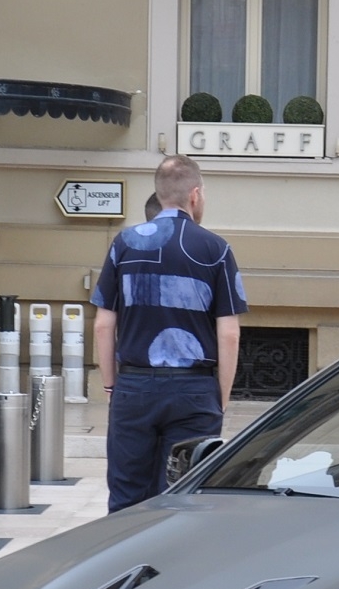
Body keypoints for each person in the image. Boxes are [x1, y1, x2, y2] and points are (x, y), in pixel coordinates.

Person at [89, 153, 246, 513]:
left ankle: (124, 565)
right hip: (193, 389)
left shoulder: (124, 243)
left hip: (134, 385)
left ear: (160, 195)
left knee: (127, 498)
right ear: (194, 194)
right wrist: (218, 396)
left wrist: (112, 386)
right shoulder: (216, 249)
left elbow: (103, 324)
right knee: (184, 499)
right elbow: (229, 334)